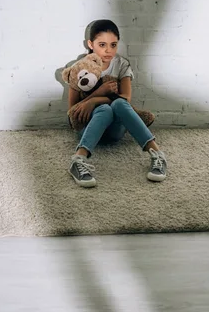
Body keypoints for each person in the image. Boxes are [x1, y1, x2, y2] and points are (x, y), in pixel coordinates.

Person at [67, 19, 167, 188]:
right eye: (102, 44)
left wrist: (95, 100)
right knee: (105, 109)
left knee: (118, 105)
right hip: (87, 128)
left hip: (115, 131)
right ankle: (78, 160)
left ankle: (158, 154)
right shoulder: (80, 67)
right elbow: (72, 110)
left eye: (113, 45)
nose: (108, 50)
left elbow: (125, 99)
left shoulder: (121, 64)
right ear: (91, 44)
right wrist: (99, 94)